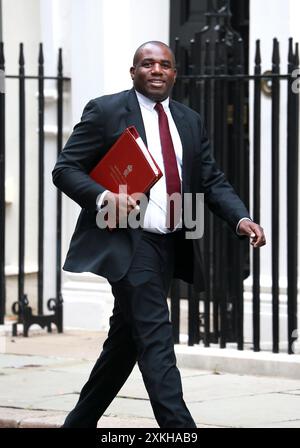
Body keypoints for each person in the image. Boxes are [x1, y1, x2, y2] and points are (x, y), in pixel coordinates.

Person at [52, 41, 266, 428]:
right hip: (128, 241)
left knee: (126, 341)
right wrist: (104, 197)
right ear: (133, 71)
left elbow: (211, 179)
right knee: (155, 338)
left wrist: (240, 218)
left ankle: (78, 424)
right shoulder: (106, 110)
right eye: (147, 64)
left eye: (164, 65)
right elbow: (65, 169)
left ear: (174, 74)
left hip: (170, 241)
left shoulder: (189, 119)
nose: (156, 70)